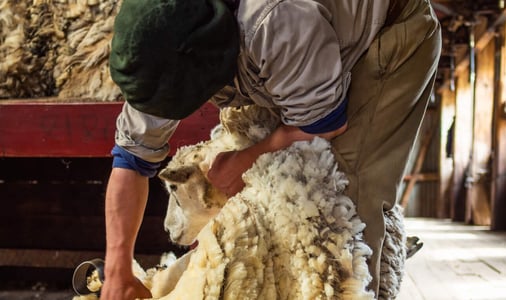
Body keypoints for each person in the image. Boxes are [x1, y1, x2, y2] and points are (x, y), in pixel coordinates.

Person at [100, 0, 441, 299]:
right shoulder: (157, 46)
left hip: (386, 30)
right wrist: (118, 270)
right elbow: (131, 160)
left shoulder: (274, 20)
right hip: (296, 52)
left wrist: (245, 159)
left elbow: (324, 125)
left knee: (340, 200)